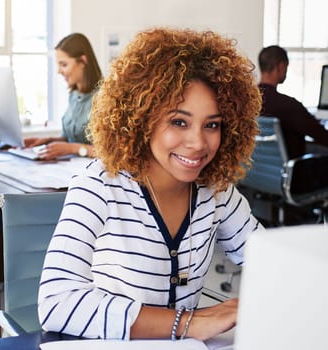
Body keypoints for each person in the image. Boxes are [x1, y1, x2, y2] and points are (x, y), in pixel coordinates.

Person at [38, 27, 265, 341]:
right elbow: (56, 303)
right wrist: (188, 323)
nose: (198, 142)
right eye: (178, 121)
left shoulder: (217, 191)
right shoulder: (99, 185)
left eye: (212, 124)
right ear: (143, 118)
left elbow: (272, 262)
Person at [24, 33, 102, 160]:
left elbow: (111, 153)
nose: (59, 71)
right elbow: (71, 138)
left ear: (83, 61)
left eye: (64, 65)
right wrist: (49, 142)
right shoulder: (74, 95)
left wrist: (72, 148)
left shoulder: (105, 98)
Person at [258, 45, 328, 159]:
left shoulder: (247, 102)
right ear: (281, 66)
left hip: (261, 170)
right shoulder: (288, 105)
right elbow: (322, 136)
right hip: (294, 171)